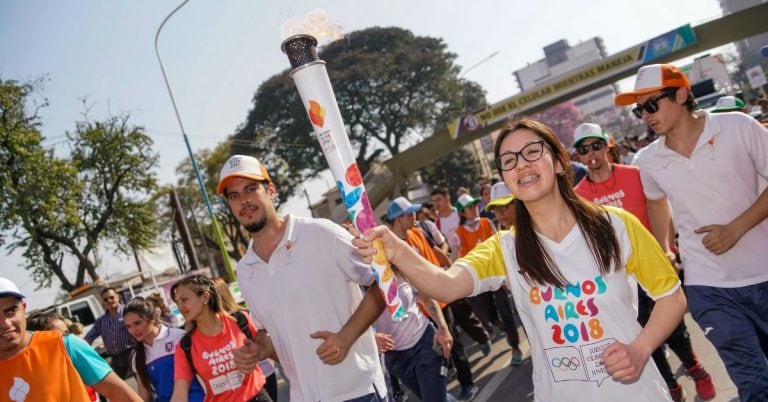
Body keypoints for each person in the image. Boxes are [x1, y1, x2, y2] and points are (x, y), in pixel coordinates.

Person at [353, 118, 687, 401]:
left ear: (558, 162)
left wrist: (641, 349)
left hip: (634, 392)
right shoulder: (506, 247)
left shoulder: (614, 225)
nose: (521, 165)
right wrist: (397, 250)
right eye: (509, 160)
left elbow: (671, 296)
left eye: (531, 153)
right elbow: (445, 286)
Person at [616, 63, 768, 401]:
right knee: (754, 384)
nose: (645, 116)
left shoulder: (737, 126)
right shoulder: (648, 160)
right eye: (639, 109)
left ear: (681, 94)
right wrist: (664, 250)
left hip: (764, 272)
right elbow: (657, 204)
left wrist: (736, 229)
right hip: (709, 287)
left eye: (651, 105)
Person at [217, 155, 387, 402]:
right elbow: (268, 332)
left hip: (357, 390)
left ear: (271, 190)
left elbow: (382, 282)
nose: (244, 200)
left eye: (251, 189)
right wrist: (259, 349)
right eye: (234, 196)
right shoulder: (245, 270)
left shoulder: (320, 233)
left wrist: (346, 337)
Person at [572, 122, 716, 402]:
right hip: (618, 280)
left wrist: (668, 248)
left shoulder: (635, 175)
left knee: (673, 330)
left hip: (653, 269)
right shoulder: (578, 197)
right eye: (583, 149)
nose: (591, 153)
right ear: (577, 155)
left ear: (608, 146)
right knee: (639, 336)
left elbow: (660, 207)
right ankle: (672, 386)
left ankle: (695, 368)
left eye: (596, 145)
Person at [384, 196, 478, 401]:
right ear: (398, 218)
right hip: (416, 314)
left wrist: (450, 276)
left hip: (438, 298)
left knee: (455, 344)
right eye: (409, 214)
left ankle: (467, 384)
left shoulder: (418, 232)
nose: (414, 217)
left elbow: (436, 251)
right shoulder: (388, 251)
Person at [0, 277, 141, 402]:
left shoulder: (66, 345)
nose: (5, 323)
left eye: (11, 310)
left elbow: (119, 394)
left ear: (24, 309)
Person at [170, 275, 271, 402]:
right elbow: (180, 393)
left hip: (258, 398)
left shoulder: (240, 320)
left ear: (205, 297)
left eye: (184, 299)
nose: (180, 308)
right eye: (177, 303)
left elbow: (272, 350)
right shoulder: (185, 346)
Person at [210, 276, 279, 402]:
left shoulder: (241, 317)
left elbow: (263, 343)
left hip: (263, 375)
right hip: (240, 383)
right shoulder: (212, 326)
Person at [123, 297, 205, 402]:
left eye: (137, 323)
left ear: (151, 318)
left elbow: (205, 370)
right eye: (128, 326)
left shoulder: (178, 337)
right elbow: (144, 394)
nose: (133, 330)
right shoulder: (136, 356)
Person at [85, 287, 136, 379]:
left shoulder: (128, 311)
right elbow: (89, 336)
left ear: (118, 297)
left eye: (111, 297)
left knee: (144, 384)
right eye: (105, 299)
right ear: (103, 302)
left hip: (133, 353)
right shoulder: (101, 320)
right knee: (113, 387)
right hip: (115, 358)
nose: (109, 300)